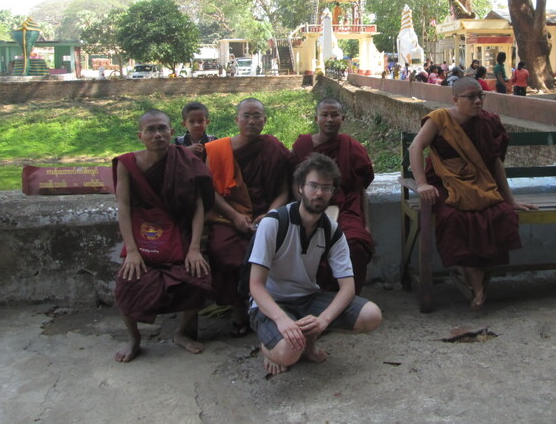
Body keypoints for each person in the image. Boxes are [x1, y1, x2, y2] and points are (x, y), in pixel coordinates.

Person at [248, 153, 382, 375]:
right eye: (313, 185)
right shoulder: (273, 223)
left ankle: (306, 339)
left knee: (372, 315)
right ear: (300, 187)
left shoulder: (332, 231)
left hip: (308, 298)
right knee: (289, 354)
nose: (319, 193)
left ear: (333, 192)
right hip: (271, 302)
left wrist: (324, 320)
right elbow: (255, 285)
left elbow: (347, 286)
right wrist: (281, 319)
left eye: (326, 187)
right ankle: (269, 345)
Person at [408, 78, 536, 309]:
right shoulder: (440, 118)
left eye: (481, 96)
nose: (478, 101)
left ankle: (475, 275)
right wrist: (422, 184)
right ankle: (475, 279)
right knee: (452, 217)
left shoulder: (488, 122)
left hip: (480, 184)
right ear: (455, 100)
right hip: (445, 183)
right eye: (471, 97)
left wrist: (511, 199)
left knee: (500, 213)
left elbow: (494, 162)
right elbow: (415, 147)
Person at [112, 109, 214, 363]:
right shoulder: (127, 164)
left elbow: (199, 206)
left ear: (171, 132)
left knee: (199, 276)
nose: (157, 134)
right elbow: (123, 207)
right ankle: (134, 338)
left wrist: (194, 248)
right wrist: (132, 251)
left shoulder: (185, 160)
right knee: (127, 283)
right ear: (140, 135)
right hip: (144, 234)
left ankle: (181, 333)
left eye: (162, 129)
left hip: (179, 232)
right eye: (150, 130)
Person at [203, 98, 293, 336]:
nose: (252, 121)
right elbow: (209, 192)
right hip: (227, 216)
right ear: (237, 120)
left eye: (257, 116)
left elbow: (285, 190)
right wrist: (234, 216)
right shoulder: (216, 150)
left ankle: (270, 307)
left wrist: (271, 214)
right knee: (225, 251)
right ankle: (238, 309)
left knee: (276, 255)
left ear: (265, 120)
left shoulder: (274, 147)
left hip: (267, 215)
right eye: (246, 116)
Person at [292, 98, 374, 294]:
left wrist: (366, 224)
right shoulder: (303, 146)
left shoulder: (352, 147)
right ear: (316, 118)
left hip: (346, 207)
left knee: (355, 244)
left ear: (342, 118)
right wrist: (304, 212)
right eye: (325, 115)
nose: (329, 119)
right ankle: (319, 297)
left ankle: (347, 299)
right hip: (310, 209)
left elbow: (360, 188)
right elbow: (295, 184)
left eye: (334, 115)